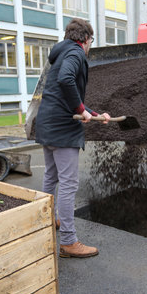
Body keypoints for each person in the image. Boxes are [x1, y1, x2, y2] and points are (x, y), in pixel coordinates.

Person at [35, 18, 111, 258]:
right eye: (91, 41)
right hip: (62, 129)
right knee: (69, 184)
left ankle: (46, 221)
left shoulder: (61, 52)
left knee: (51, 177)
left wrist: (96, 114)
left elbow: (65, 91)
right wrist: (80, 110)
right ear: (86, 39)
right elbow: (66, 80)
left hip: (47, 124)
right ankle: (68, 241)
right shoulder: (76, 54)